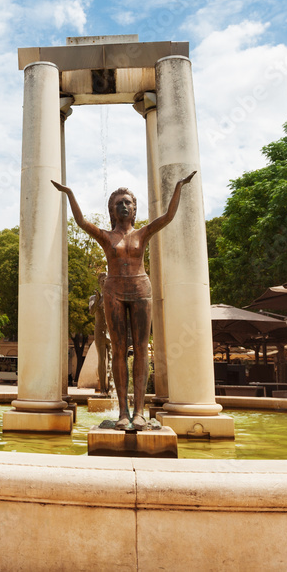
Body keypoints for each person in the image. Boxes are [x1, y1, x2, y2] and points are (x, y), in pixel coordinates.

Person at [52, 172, 196, 429]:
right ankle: (122, 413)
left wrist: (178, 187)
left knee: (141, 349)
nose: (124, 206)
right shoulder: (107, 237)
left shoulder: (143, 233)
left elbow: (168, 217)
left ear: (134, 208)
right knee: (118, 350)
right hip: (114, 291)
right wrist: (69, 194)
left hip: (141, 289)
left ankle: (139, 413)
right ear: (112, 210)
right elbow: (81, 221)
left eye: (128, 202)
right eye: (119, 203)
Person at [89, 273, 110, 396]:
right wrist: (97, 299)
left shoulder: (112, 296)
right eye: (102, 281)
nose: (104, 283)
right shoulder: (93, 297)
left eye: (106, 280)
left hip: (111, 331)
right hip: (99, 331)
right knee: (101, 360)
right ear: (99, 283)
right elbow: (91, 311)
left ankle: (113, 389)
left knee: (113, 360)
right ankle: (103, 389)